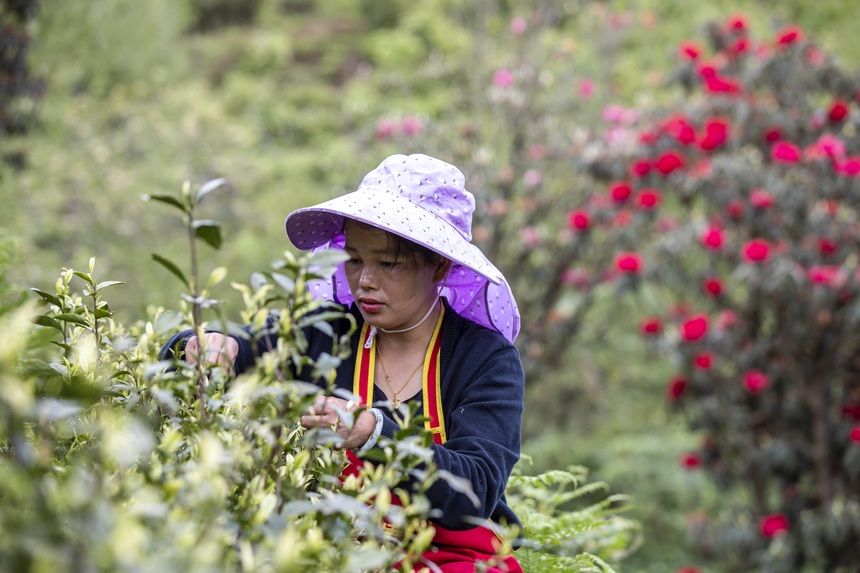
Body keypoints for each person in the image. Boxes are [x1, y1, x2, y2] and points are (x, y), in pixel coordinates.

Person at [161, 154, 524, 572]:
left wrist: (375, 434)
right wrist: (199, 347)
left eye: (388, 263)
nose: (365, 280)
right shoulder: (326, 330)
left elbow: (476, 488)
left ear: (438, 264)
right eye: (354, 259)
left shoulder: (484, 358)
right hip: (339, 547)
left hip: (454, 559)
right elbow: (240, 349)